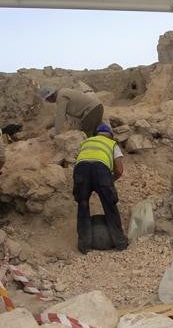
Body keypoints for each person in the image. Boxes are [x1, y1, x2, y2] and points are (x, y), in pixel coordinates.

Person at [73, 123, 128, 254]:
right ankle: (120, 243)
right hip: (101, 170)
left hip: (80, 170)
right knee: (110, 205)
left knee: (83, 205)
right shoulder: (111, 144)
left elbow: (79, 161)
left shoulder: (86, 142)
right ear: (110, 136)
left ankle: (84, 246)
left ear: (96, 134)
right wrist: (110, 180)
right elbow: (119, 170)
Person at [40, 86, 104, 137]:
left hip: (91, 111)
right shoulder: (64, 91)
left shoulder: (61, 97)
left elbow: (60, 116)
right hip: (98, 107)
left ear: (50, 97)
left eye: (47, 100)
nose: (49, 102)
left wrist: (57, 134)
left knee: (85, 136)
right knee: (96, 132)